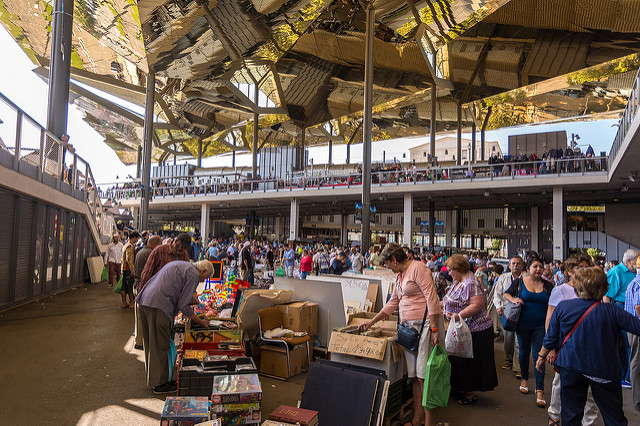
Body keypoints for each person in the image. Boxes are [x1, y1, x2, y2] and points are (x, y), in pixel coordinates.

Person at [537, 267, 640, 426]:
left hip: (571, 367)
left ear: (577, 286)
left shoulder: (564, 307)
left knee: (571, 415)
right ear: (604, 288)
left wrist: (542, 356)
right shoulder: (613, 311)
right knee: (613, 417)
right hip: (604, 371)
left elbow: (551, 338)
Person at [359, 243, 442, 426]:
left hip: (425, 327)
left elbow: (432, 299)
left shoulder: (418, 269)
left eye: (388, 264)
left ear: (394, 259)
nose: (388, 268)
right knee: (413, 376)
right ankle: (418, 419)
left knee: (424, 378)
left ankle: (429, 423)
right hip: (409, 330)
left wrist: (435, 329)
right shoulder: (399, 276)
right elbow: (392, 304)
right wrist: (371, 321)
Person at [136, 260, 213, 394]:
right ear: (203, 271)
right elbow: (183, 305)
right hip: (158, 305)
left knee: (152, 344)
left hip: (146, 300)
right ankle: (160, 384)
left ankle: (158, 379)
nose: (201, 281)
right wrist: (200, 321)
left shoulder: (184, 266)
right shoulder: (193, 274)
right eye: (204, 278)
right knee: (161, 345)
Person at [545, 256, 598, 426]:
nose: (582, 270)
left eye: (585, 267)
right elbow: (550, 320)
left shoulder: (594, 290)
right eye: (578, 267)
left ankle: (589, 422)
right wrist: (551, 348)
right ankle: (554, 415)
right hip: (565, 346)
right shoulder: (560, 291)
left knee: (590, 389)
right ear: (568, 271)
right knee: (560, 383)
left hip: (589, 347)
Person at [443, 254, 498, 406]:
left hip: (476, 328)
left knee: (471, 363)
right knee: (460, 360)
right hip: (463, 329)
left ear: (458, 269)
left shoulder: (470, 282)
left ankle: (470, 393)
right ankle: (461, 387)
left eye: (450, 270)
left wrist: (458, 315)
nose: (449, 273)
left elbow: (478, 304)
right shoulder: (458, 281)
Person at [504, 256, 553, 407]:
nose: (538, 269)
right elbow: (507, 293)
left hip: (540, 326)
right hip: (522, 324)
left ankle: (540, 389)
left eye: (541, 267)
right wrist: (514, 300)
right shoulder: (519, 282)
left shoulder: (548, 285)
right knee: (524, 353)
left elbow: (553, 305)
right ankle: (524, 378)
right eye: (535, 267)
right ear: (528, 268)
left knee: (540, 355)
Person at [605, 249, 640, 387]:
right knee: (623, 345)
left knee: (631, 345)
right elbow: (607, 294)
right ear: (629, 261)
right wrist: (608, 314)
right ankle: (624, 376)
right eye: (635, 261)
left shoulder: (633, 273)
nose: (637, 265)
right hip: (619, 308)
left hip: (629, 308)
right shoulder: (616, 272)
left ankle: (629, 376)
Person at [492, 256, 524, 375]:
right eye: (513, 263)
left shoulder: (526, 279)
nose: (516, 265)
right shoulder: (503, 278)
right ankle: (508, 359)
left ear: (522, 266)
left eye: (518, 263)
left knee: (518, 339)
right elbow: (497, 294)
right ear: (509, 266)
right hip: (507, 310)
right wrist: (498, 307)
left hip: (521, 311)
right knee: (509, 337)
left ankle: (518, 366)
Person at [133, 235, 162, 350]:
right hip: (143, 287)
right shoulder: (151, 253)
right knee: (144, 318)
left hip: (137, 285)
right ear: (155, 243)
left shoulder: (141, 251)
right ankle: (143, 343)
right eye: (159, 244)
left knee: (139, 317)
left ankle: (138, 341)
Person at [625, 256, 640, 412]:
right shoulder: (639, 283)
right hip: (637, 327)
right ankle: (638, 401)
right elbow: (638, 306)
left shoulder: (634, 282)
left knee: (635, 360)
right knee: (636, 362)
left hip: (633, 327)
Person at [121, 232, 140, 309]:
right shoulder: (130, 247)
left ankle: (124, 302)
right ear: (134, 238)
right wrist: (132, 270)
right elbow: (130, 260)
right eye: (137, 238)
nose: (137, 240)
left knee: (124, 286)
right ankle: (132, 303)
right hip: (128, 269)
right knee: (130, 286)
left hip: (124, 269)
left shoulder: (125, 245)